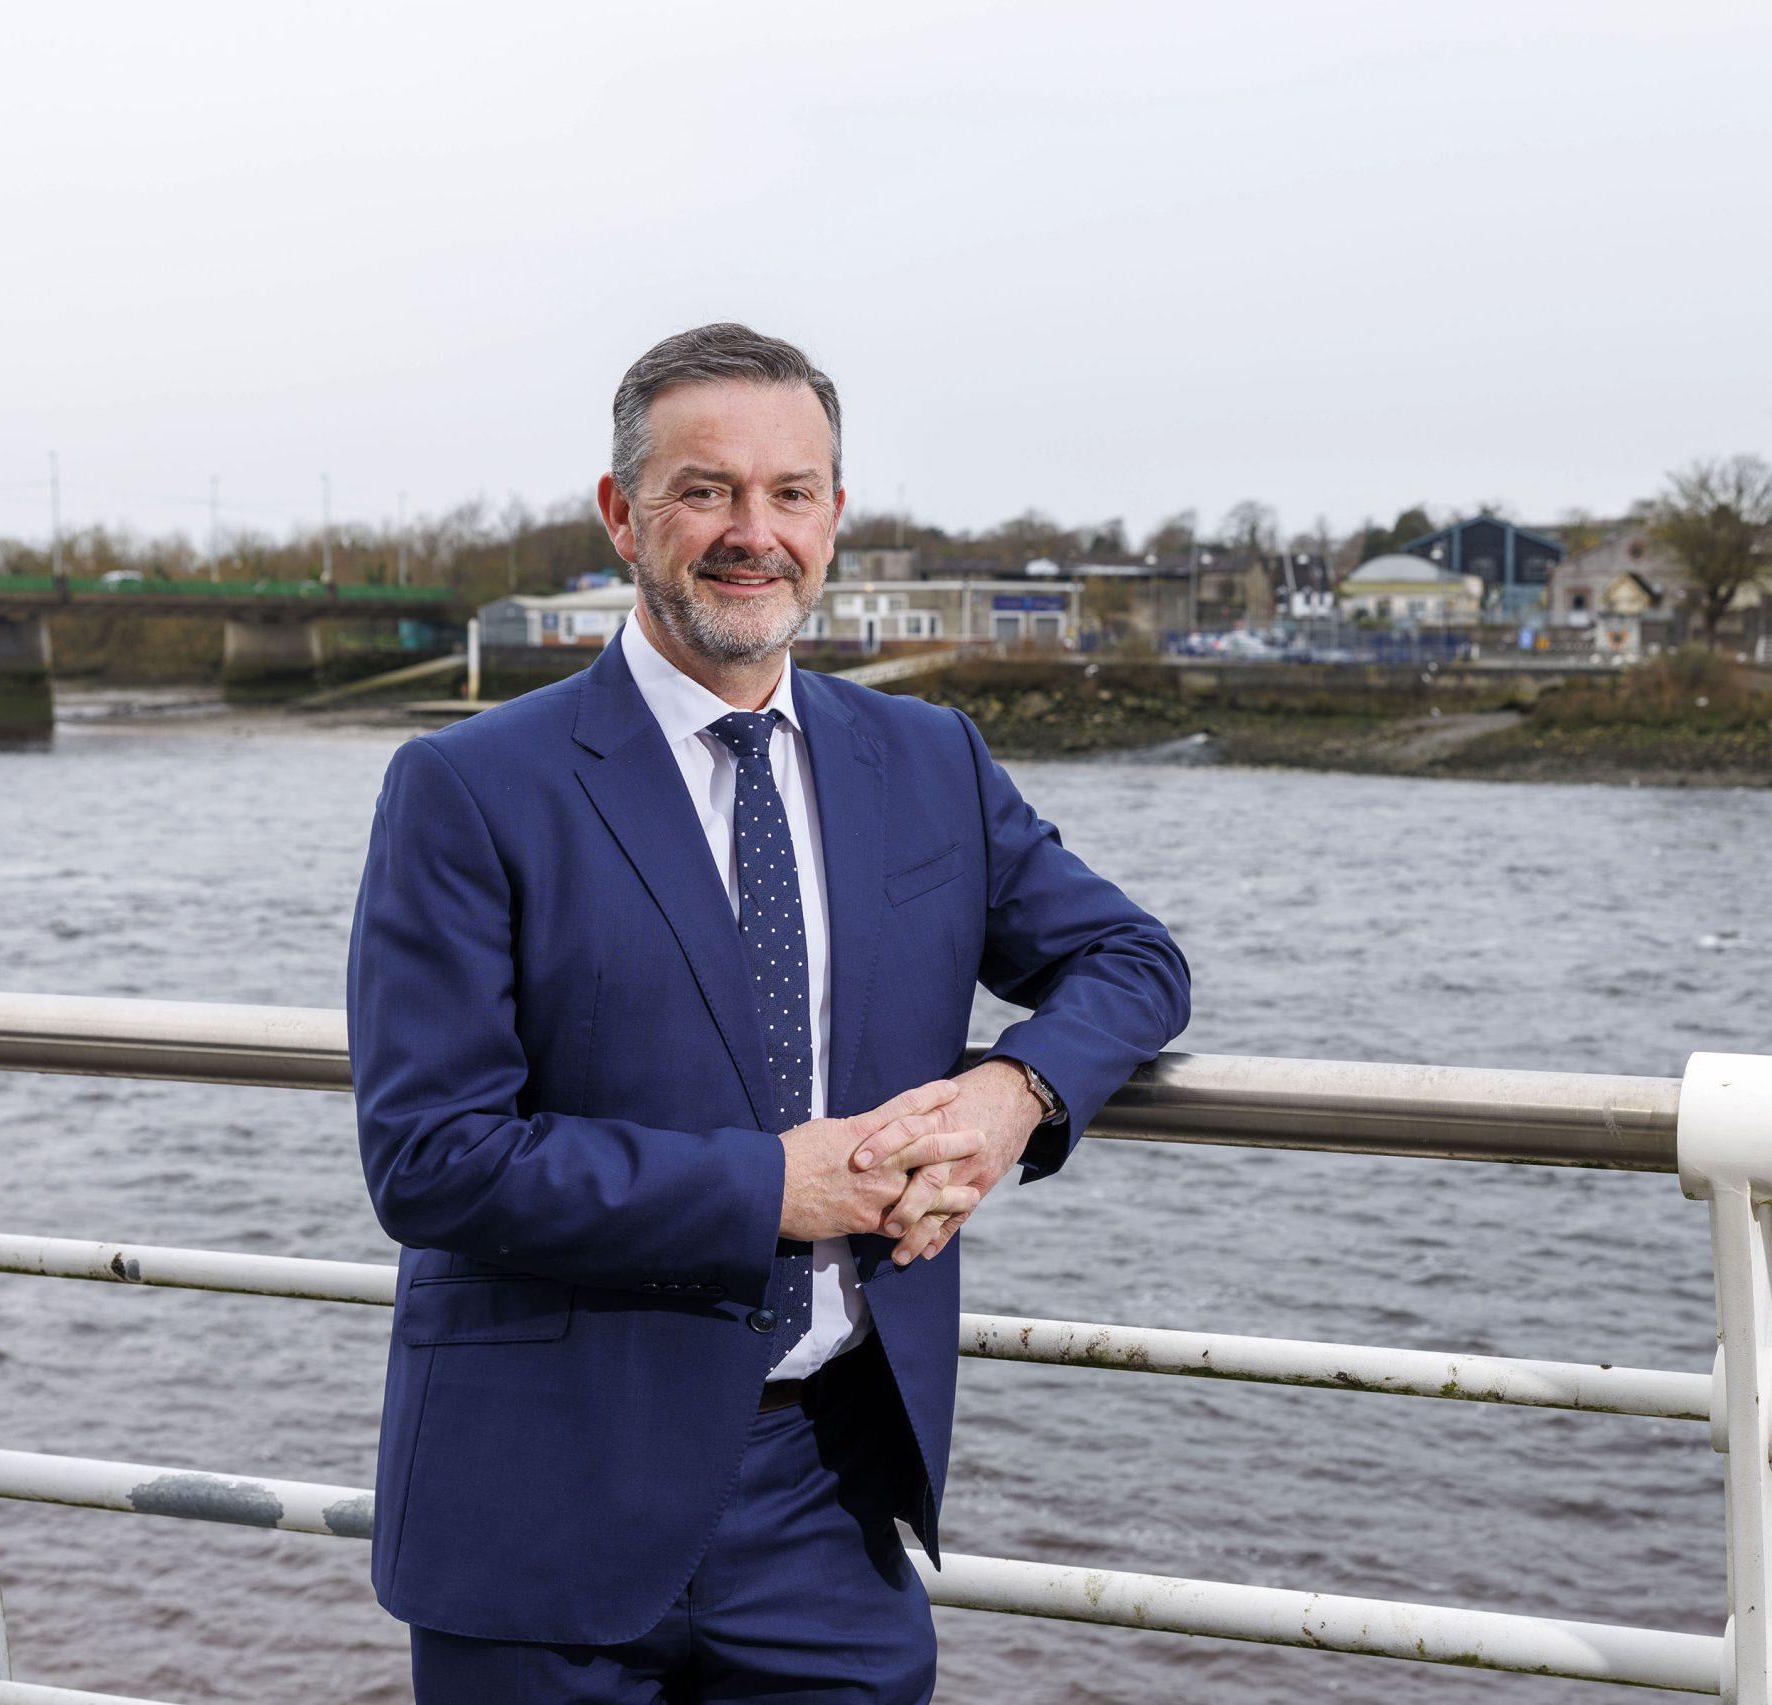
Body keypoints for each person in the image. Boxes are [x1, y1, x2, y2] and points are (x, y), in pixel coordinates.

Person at [346, 322, 1190, 1702]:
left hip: (829, 1494)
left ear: (834, 516)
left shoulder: (928, 758)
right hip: (546, 1495)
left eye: (791, 491)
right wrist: (773, 1188)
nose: (755, 532)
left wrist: (1011, 1096)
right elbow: (431, 1157)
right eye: (706, 490)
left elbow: (1133, 959)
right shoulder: (469, 786)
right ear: (622, 514)